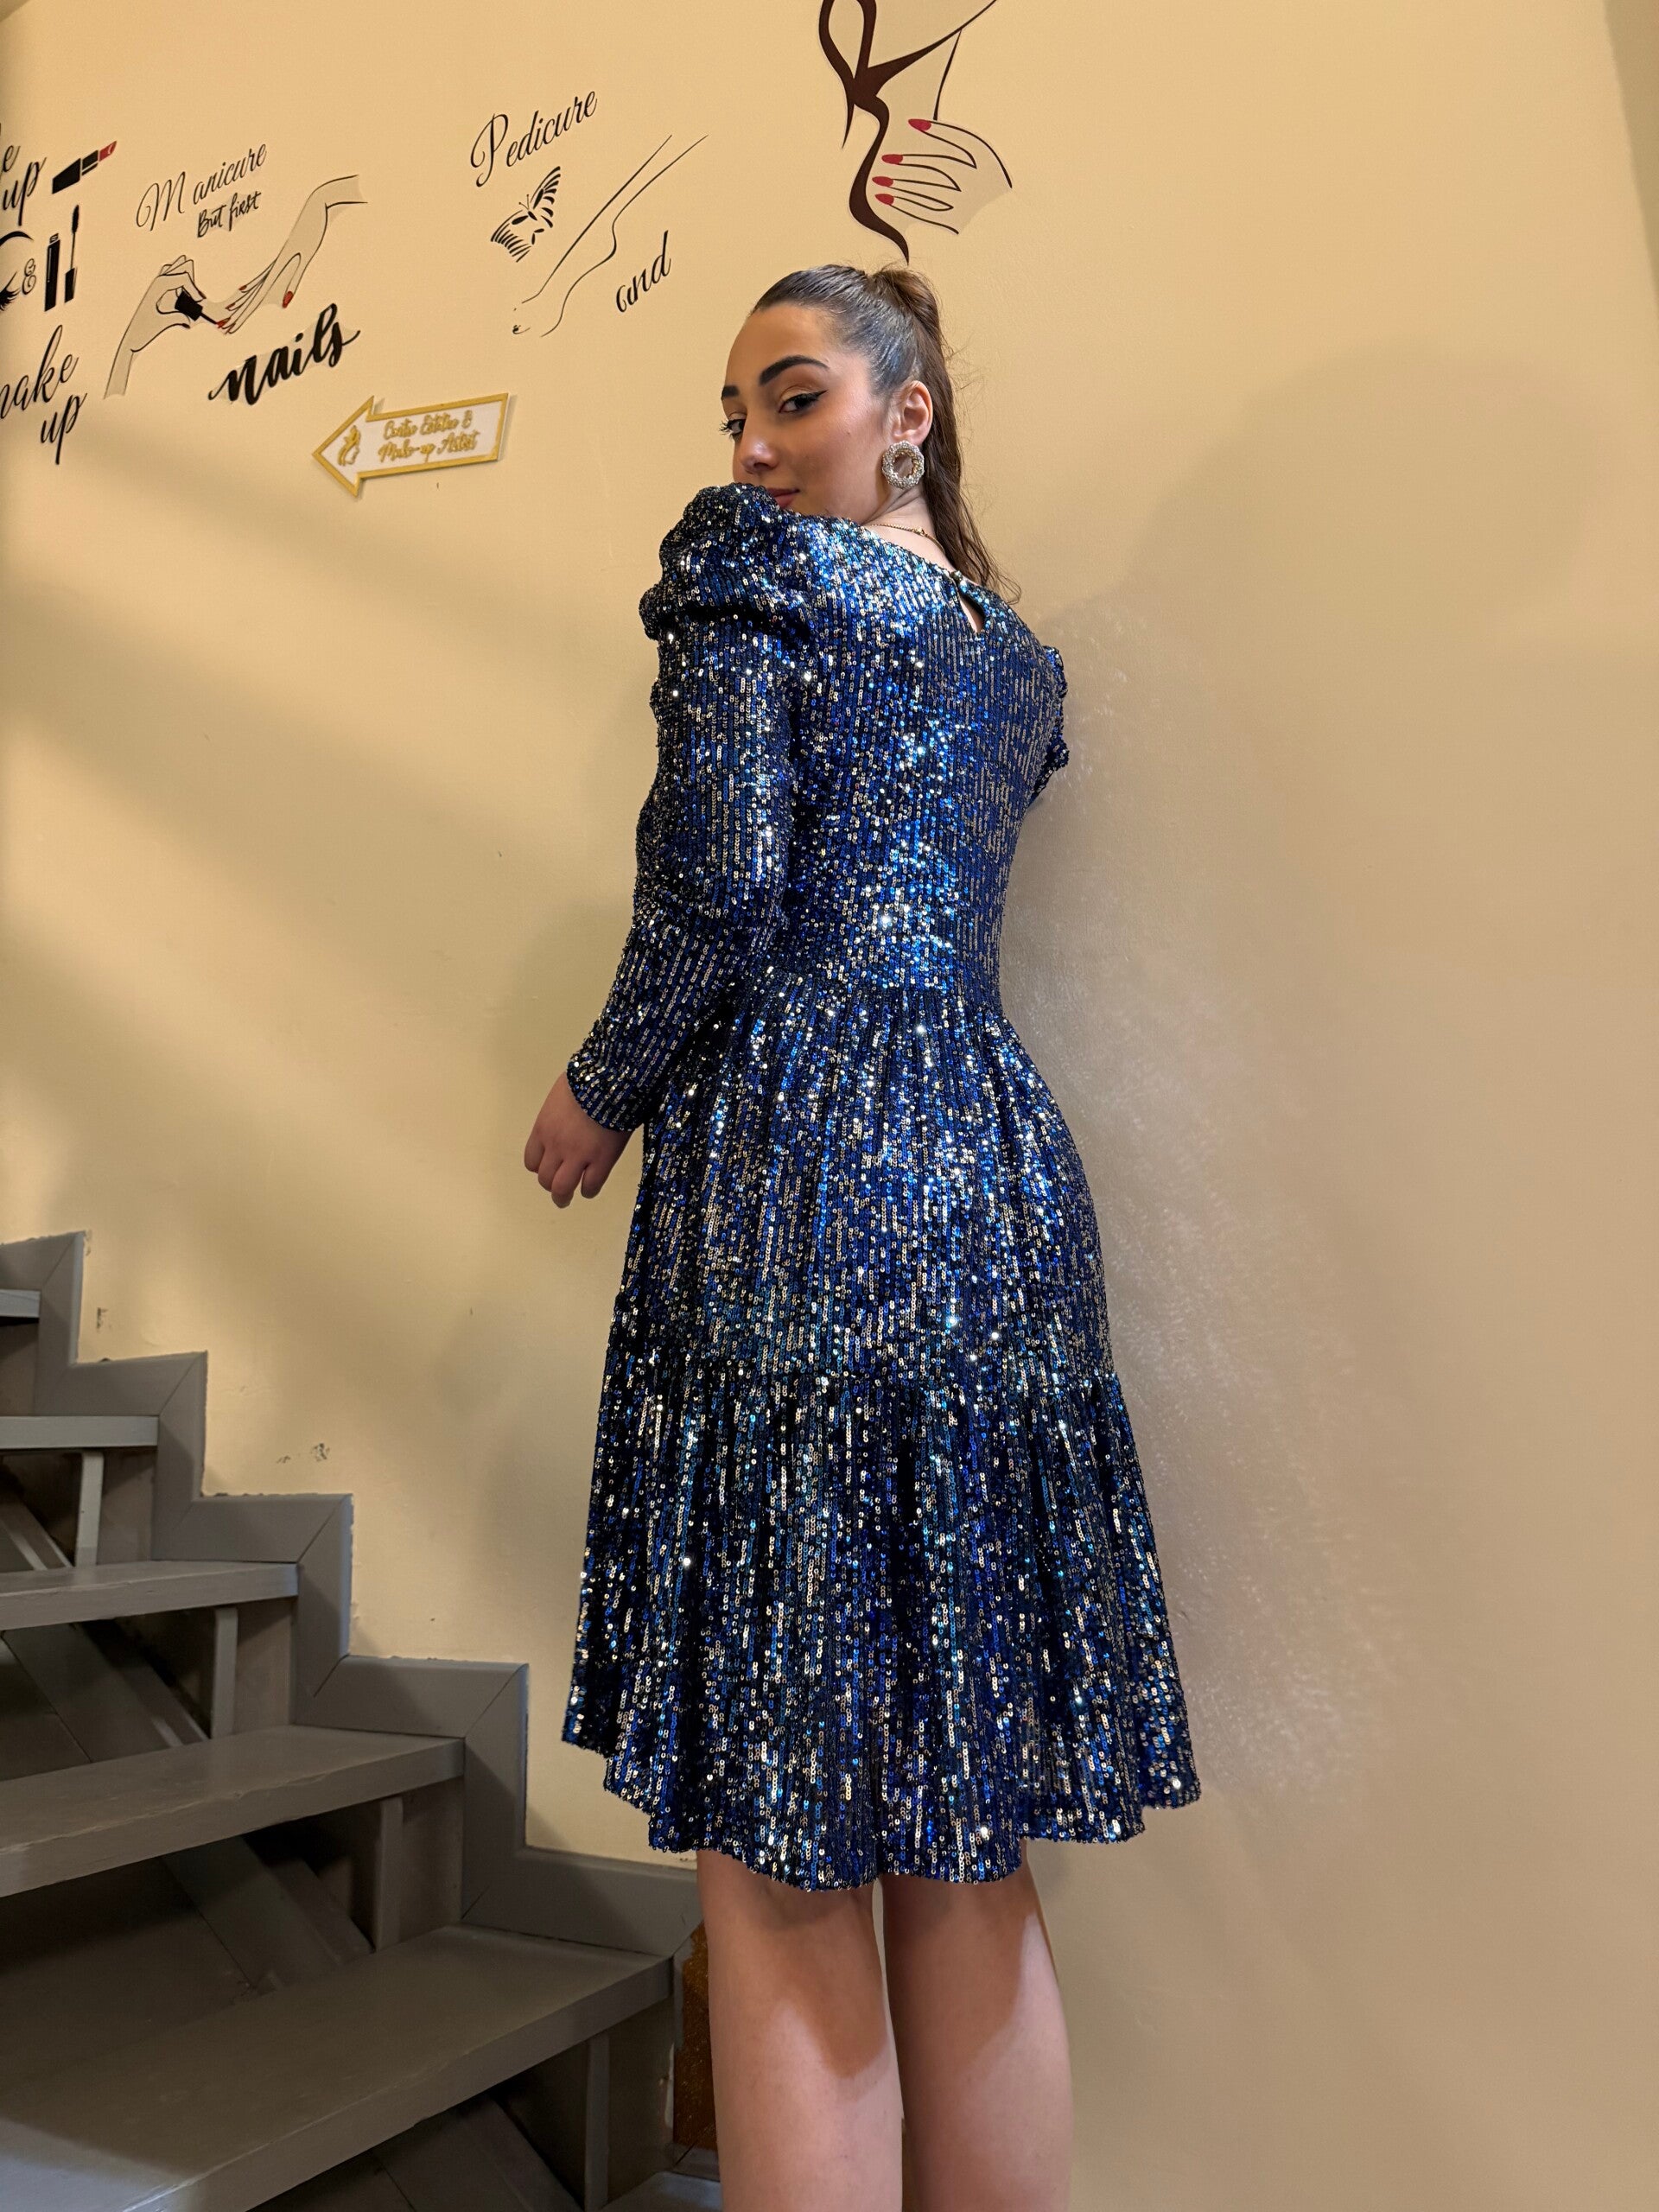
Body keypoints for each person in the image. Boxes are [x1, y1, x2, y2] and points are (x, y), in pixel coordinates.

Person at [524, 262, 1200, 2211]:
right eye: (736, 414)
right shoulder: (1009, 653)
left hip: (803, 1173)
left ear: (911, 410)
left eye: (795, 397)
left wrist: (599, 1086)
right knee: (959, 1832)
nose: (752, 447)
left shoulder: (754, 575)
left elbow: (721, 881)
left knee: (782, 1840)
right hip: (989, 1177)